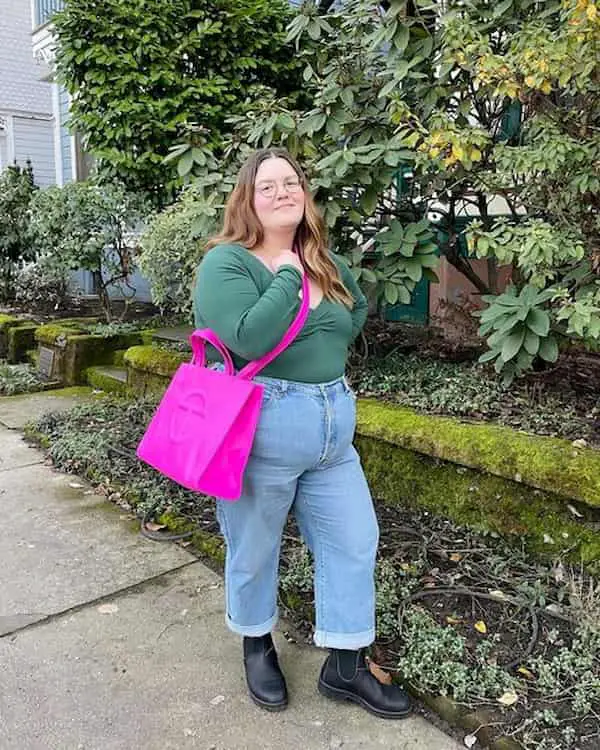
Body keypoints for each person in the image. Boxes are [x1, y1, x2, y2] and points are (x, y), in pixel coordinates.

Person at [193, 147, 410, 719]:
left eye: (292, 182)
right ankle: (257, 640)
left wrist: (312, 282)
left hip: (333, 429)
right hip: (261, 428)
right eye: (268, 186)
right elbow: (249, 338)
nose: (283, 191)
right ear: (248, 200)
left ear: (305, 195)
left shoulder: (324, 259)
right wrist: (287, 271)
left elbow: (355, 312)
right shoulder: (227, 263)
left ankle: (344, 664)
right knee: (255, 547)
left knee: (354, 540)